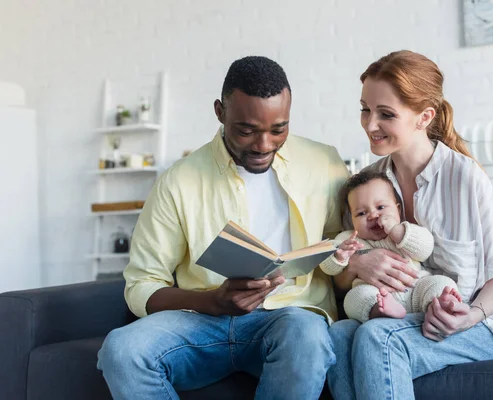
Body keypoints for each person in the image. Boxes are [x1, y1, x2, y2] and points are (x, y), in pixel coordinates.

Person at [96, 56, 355, 400]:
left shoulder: (323, 162)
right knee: (122, 350)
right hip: (201, 320)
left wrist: (354, 253)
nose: (264, 145)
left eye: (278, 129)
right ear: (220, 112)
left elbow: (349, 239)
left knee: (307, 338)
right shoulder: (179, 180)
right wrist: (213, 301)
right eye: (246, 130)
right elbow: (142, 284)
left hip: (290, 317)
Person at [327, 50, 493, 400]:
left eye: (385, 114)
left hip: (486, 323)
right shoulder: (369, 186)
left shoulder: (465, 177)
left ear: (424, 117)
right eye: (365, 109)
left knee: (377, 338)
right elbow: (340, 279)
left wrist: (469, 316)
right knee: (338, 336)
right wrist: (355, 263)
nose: (369, 124)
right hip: (410, 312)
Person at [319, 170, 462, 323]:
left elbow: (425, 249)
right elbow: (325, 264)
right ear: (351, 219)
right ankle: (380, 311)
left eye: (380, 207)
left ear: (398, 209)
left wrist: (397, 231)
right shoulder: (348, 239)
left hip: (416, 287)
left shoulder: (405, 230)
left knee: (441, 282)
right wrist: (339, 256)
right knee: (354, 298)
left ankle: (441, 305)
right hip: (376, 293)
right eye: (361, 213)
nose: (373, 215)